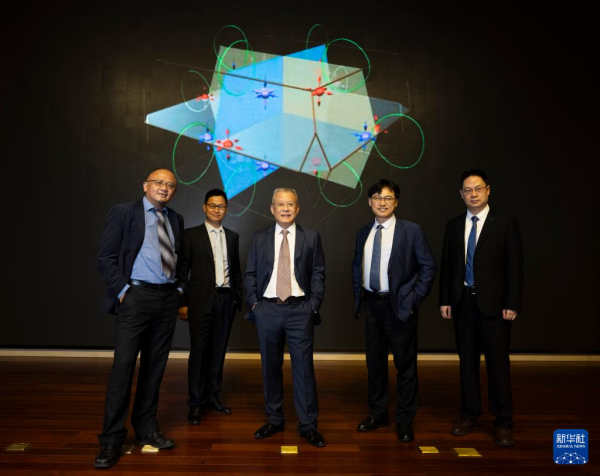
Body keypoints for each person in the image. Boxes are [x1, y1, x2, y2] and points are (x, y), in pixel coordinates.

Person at [94, 168, 187, 469]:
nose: (164, 188)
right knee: (123, 367)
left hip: (166, 299)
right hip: (135, 297)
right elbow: (106, 257)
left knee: (154, 367)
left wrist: (179, 290)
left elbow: (181, 259)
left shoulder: (175, 219)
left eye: (170, 185)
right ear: (146, 185)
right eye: (159, 182)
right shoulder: (123, 212)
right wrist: (123, 291)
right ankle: (111, 439)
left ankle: (146, 428)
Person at [439, 169, 523, 446]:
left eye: (478, 189)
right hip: (463, 303)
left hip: (496, 307)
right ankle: (469, 414)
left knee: (498, 365)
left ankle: (503, 421)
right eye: (467, 190)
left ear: (488, 190)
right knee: (467, 363)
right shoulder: (453, 225)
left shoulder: (505, 223)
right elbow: (448, 265)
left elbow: (515, 266)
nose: (473, 194)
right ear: (461, 194)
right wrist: (445, 299)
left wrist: (512, 303)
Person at [352, 179, 436, 442]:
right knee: (375, 365)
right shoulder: (364, 232)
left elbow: (428, 267)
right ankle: (378, 414)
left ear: (396, 202)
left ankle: (404, 420)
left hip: (399, 306)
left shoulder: (411, 231)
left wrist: (412, 301)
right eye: (377, 197)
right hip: (372, 305)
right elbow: (357, 266)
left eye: (388, 198)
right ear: (370, 201)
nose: (382, 202)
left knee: (405, 366)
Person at [244, 188, 326, 447]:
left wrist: (313, 306)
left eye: (290, 204)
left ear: (297, 208)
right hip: (267, 310)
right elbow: (250, 274)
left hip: (300, 310)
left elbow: (318, 272)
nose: (286, 209)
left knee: (304, 369)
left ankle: (308, 425)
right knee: (270, 367)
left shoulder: (311, 237)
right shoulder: (259, 238)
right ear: (272, 209)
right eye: (281, 204)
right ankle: (275, 418)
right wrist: (255, 304)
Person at [177, 189, 242, 425]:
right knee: (199, 351)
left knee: (218, 350)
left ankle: (213, 397)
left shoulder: (232, 236)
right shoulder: (190, 235)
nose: (217, 210)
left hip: (226, 300)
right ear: (204, 207)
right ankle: (196, 402)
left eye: (221, 206)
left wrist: (237, 299)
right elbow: (182, 271)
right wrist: (182, 302)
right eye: (212, 205)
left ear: (226, 209)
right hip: (199, 302)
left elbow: (236, 271)